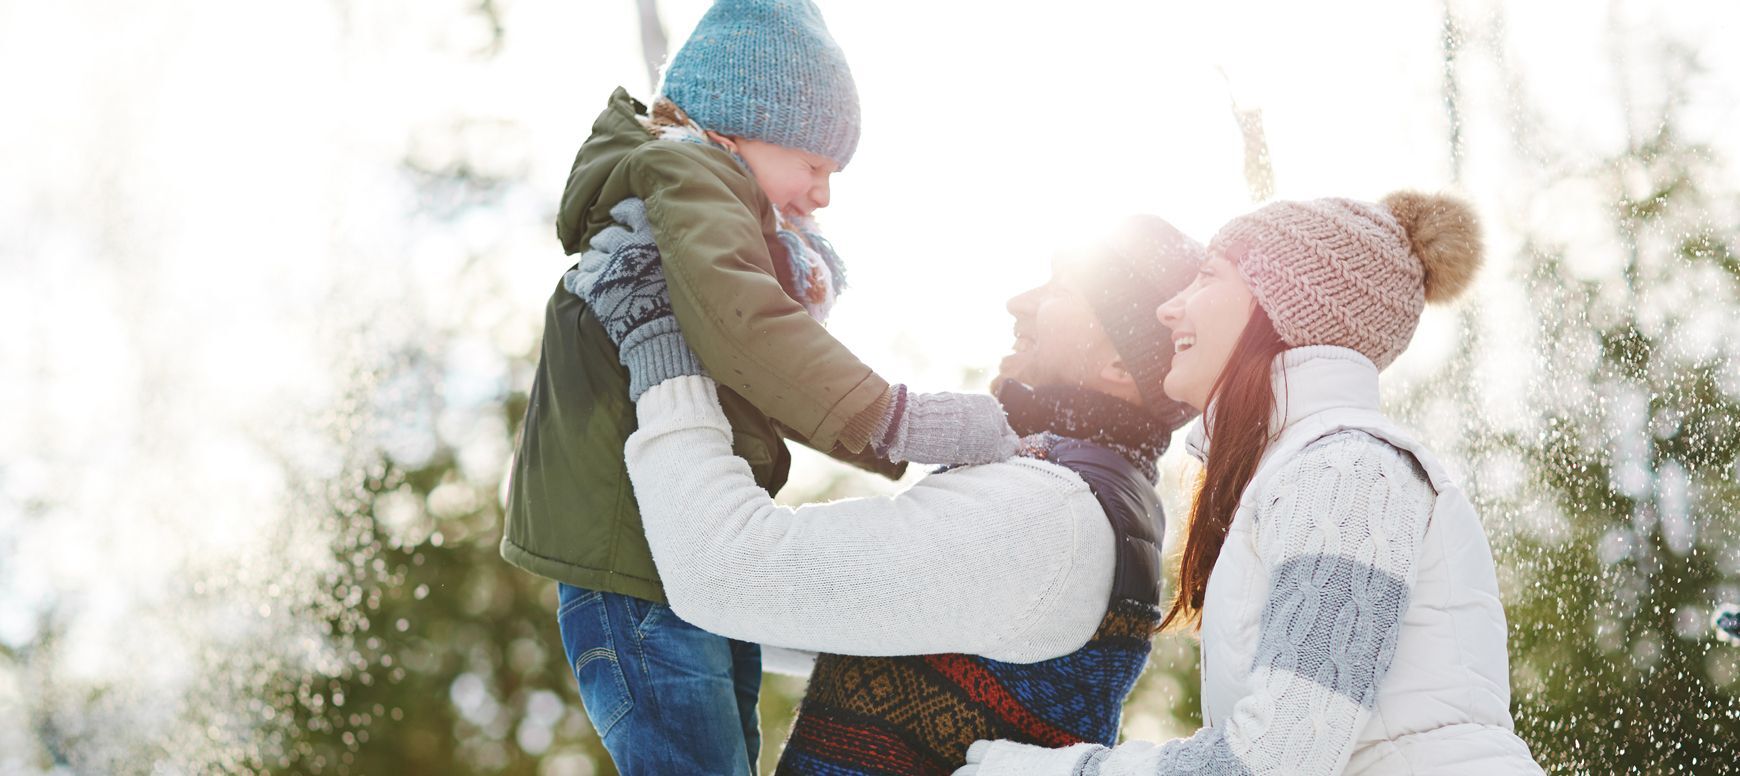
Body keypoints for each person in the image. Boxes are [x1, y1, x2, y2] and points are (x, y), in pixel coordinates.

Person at [501, 1, 1017, 773]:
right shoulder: (689, 174)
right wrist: (903, 420)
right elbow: (748, 328)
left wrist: (879, 434)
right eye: (815, 165)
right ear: (742, 125)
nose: (823, 195)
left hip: (669, 566)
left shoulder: (701, 194)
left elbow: (763, 368)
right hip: (637, 574)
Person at [584, 213, 1203, 773]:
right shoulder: (1080, 495)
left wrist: (656, 341)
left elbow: (729, 574)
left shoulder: (1052, 512)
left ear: (1123, 367)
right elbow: (803, 618)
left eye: (1062, 288)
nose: (1020, 302)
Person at [958, 193, 1544, 775]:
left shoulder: (1348, 474)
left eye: (1206, 277)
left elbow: (1269, 763)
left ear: (1279, 305)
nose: (1170, 310)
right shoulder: (1304, 473)